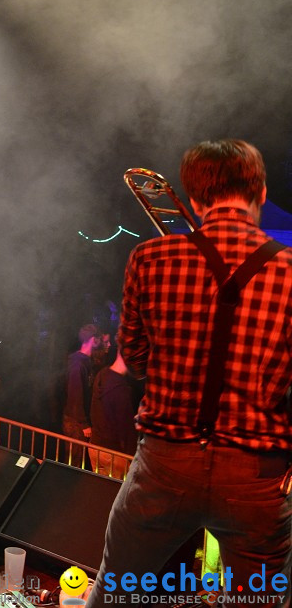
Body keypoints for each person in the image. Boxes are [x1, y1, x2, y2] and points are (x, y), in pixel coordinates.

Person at [86, 140, 292, 607]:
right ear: (260, 192)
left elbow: (135, 358)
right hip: (256, 474)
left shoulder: (150, 258)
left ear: (194, 200)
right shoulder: (289, 270)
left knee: (115, 592)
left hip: (164, 464)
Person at [88, 353, 137, 478]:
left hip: (95, 446)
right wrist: (133, 457)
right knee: (113, 494)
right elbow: (126, 429)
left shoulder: (102, 374)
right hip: (113, 454)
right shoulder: (120, 388)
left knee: (98, 491)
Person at [61, 324, 102, 442]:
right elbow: (75, 397)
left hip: (77, 420)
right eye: (99, 339)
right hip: (75, 422)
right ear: (94, 339)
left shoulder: (85, 362)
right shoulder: (77, 365)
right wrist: (84, 423)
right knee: (75, 459)